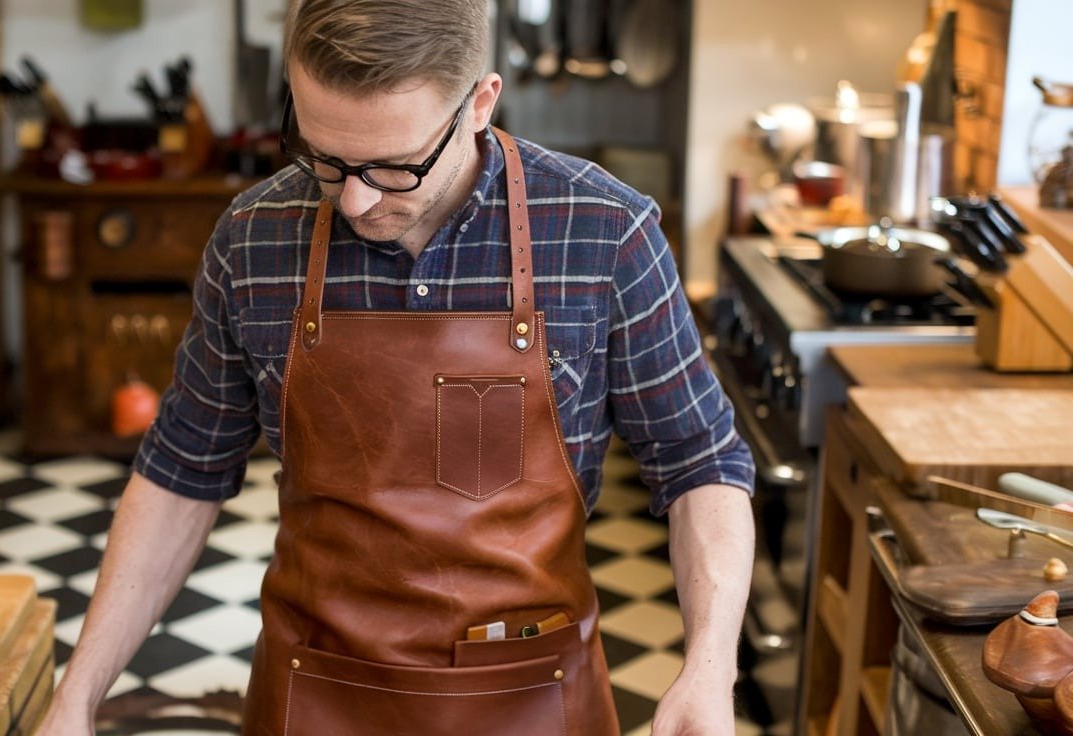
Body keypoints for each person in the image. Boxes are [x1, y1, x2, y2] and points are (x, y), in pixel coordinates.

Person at [40, 0, 755, 733]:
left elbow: (699, 461)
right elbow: (180, 475)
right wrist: (77, 696)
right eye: (322, 158)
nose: (353, 200)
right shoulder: (253, 240)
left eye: (393, 167)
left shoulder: (602, 231)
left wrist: (707, 668)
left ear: (479, 103)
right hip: (314, 691)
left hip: (534, 699)